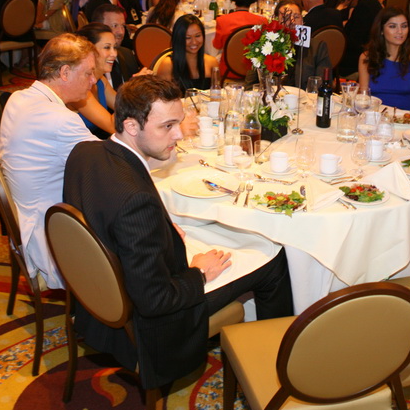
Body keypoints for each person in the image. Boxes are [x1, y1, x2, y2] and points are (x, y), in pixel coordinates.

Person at [62, 76, 293, 390]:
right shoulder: (135, 202)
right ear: (131, 126)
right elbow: (156, 301)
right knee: (274, 258)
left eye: (179, 123)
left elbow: (101, 212)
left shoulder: (84, 152)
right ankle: (275, 367)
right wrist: (199, 273)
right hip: (151, 322)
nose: (179, 134)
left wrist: (157, 229)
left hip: (96, 296)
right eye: (167, 126)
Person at [0, 34, 99, 289]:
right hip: (50, 238)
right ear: (65, 72)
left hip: (29, 223)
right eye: (88, 73)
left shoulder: (18, 98)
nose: (93, 80)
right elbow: (108, 166)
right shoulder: (59, 119)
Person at [359, 7, 410, 111]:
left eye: (404, 26)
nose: (400, 31)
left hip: (406, 119)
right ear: (381, 30)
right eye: (392, 26)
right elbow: (363, 99)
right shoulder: (367, 58)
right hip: (374, 117)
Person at [154, 14, 220, 94]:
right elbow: (161, 97)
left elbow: (217, 93)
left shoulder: (212, 62)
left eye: (198, 36)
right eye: (187, 38)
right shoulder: (168, 64)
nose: (194, 42)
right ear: (179, 38)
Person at [73, 23, 118, 139]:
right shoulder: (78, 86)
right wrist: (133, 88)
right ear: (89, 51)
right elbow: (112, 126)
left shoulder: (101, 80)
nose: (114, 54)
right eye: (107, 48)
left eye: (115, 47)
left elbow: (125, 106)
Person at [213, 0, 265, 78]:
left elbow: (217, 45)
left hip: (228, 72)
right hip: (254, 73)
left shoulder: (222, 20)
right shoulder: (262, 21)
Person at [91, 4, 147, 88]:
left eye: (123, 26)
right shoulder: (90, 65)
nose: (121, 32)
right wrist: (132, 86)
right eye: (115, 26)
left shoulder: (127, 55)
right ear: (98, 27)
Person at [341, 0, 383, 77]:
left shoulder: (363, 6)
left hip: (361, 56)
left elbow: (355, 39)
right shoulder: (371, 0)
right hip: (370, 50)